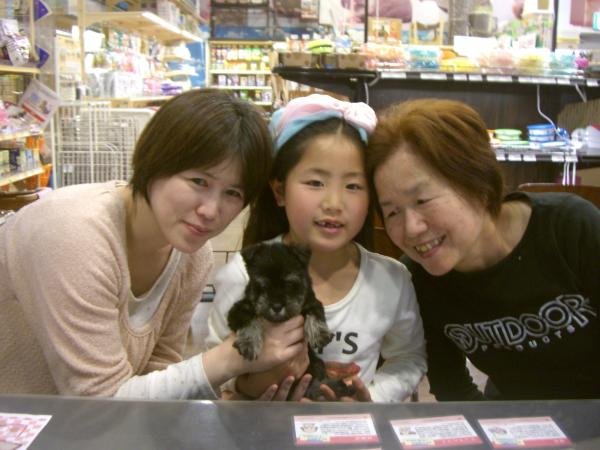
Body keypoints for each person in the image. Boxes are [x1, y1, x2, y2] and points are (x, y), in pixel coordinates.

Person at [0, 89, 307, 399]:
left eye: (233, 193)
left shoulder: (192, 256)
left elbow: (159, 371)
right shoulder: (74, 233)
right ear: (157, 159)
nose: (210, 211)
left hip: (65, 422)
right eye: (199, 181)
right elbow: (99, 400)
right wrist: (228, 359)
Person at [367, 98, 600, 401]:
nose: (411, 228)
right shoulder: (420, 279)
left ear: (478, 183)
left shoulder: (569, 228)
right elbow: (450, 383)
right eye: (392, 212)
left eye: (422, 200)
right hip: (517, 418)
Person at [205, 94, 427, 402]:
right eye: (315, 183)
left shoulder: (391, 280)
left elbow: (408, 358)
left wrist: (372, 399)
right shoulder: (242, 275)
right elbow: (214, 370)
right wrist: (251, 387)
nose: (334, 203)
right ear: (279, 191)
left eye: (353, 186)